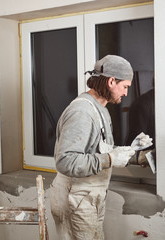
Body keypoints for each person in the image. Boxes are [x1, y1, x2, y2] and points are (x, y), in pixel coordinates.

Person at [50, 55, 152, 240]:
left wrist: (134, 155)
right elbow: (65, 161)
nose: (126, 93)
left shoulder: (100, 109)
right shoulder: (82, 112)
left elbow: (101, 149)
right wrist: (111, 159)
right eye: (125, 87)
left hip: (88, 198)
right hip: (76, 198)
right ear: (111, 81)